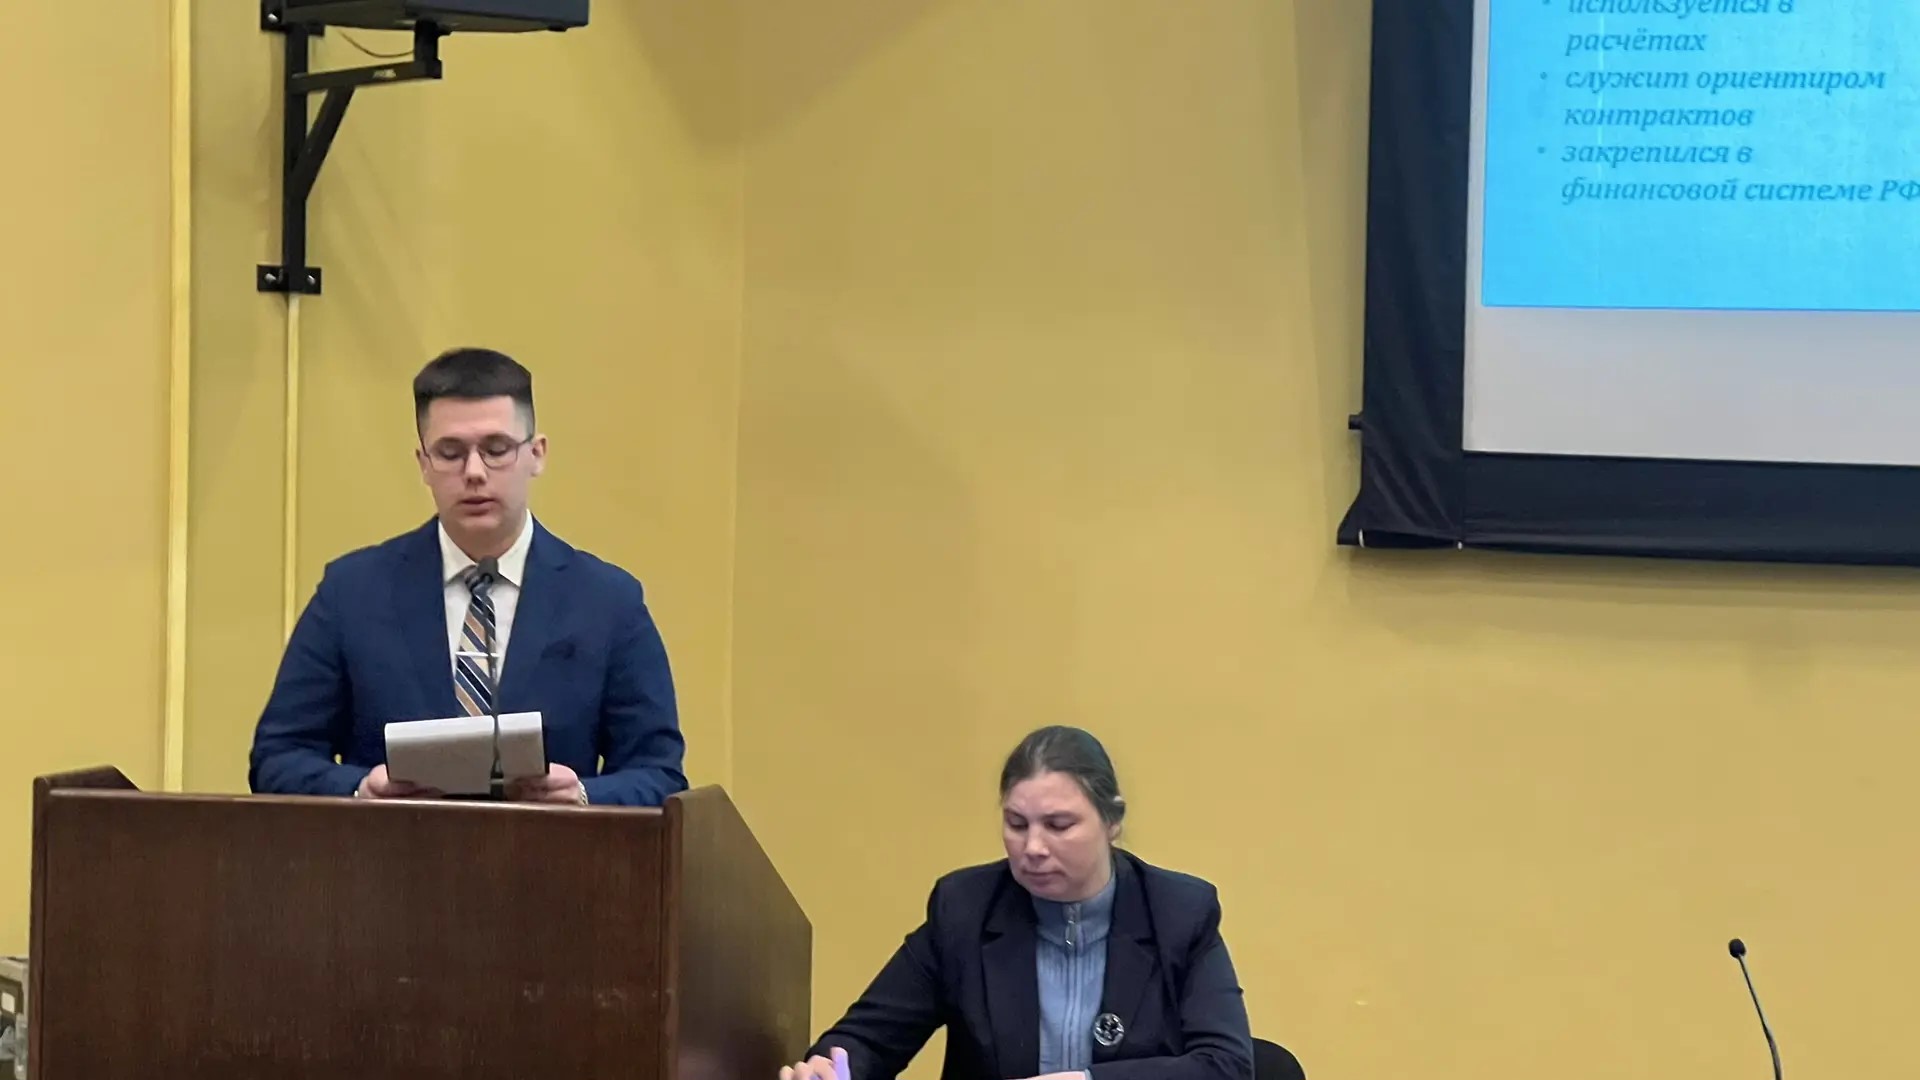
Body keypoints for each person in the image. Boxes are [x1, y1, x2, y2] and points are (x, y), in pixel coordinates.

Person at [248, 347, 686, 806]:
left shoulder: (607, 602)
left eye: (496, 450)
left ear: (536, 454)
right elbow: (278, 757)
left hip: (550, 850)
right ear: (423, 463)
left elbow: (660, 774)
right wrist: (360, 789)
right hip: (390, 847)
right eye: (450, 453)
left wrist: (582, 794)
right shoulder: (352, 593)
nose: (474, 472)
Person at [782, 726, 1254, 1080]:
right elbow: (869, 1038)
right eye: (1016, 824)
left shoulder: (1178, 912)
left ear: (1112, 821)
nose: (1033, 847)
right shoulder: (964, 910)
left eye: (1059, 825)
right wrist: (831, 1068)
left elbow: (1226, 1066)